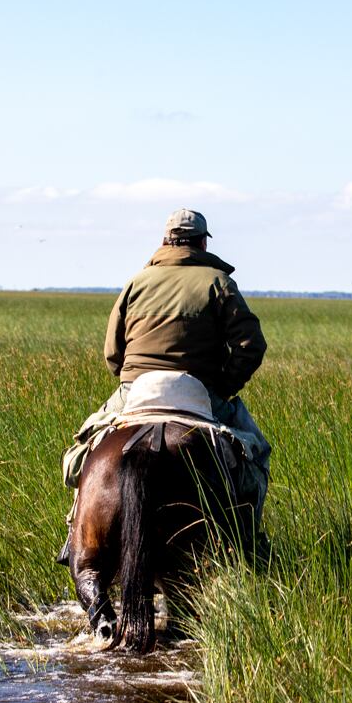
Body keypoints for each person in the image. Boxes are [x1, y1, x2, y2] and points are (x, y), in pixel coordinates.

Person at [56, 207, 270, 564]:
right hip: (199, 392)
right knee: (255, 453)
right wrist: (222, 386)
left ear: (165, 241)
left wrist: (130, 380)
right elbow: (251, 346)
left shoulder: (136, 282)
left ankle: (75, 535)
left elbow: (113, 352)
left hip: (137, 389)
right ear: (202, 242)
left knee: (83, 452)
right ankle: (249, 542)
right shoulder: (219, 283)